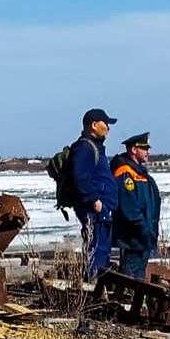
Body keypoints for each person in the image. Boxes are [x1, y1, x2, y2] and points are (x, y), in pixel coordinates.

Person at [69, 108, 119, 280]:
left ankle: (98, 289)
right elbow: (80, 178)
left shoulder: (96, 148)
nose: (108, 129)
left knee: (102, 253)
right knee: (96, 253)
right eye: (106, 124)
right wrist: (95, 201)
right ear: (94, 125)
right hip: (95, 211)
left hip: (103, 211)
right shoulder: (85, 148)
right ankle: (93, 289)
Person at [110, 132, 161, 280]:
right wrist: (142, 226)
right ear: (133, 150)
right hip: (133, 236)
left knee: (139, 276)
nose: (148, 152)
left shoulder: (140, 173)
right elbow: (128, 206)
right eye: (144, 148)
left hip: (143, 237)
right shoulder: (125, 172)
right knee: (130, 276)